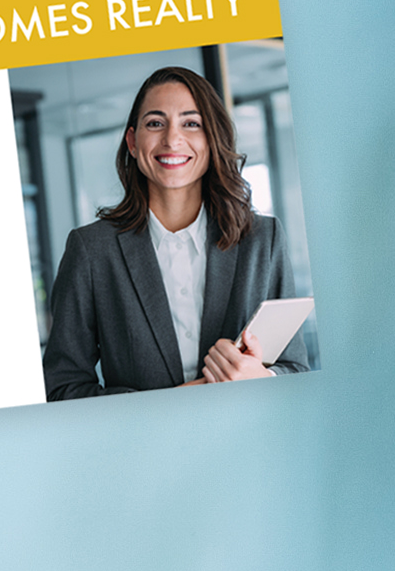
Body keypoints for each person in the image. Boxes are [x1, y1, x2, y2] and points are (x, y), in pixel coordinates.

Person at [39, 62, 315, 399]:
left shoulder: (263, 239)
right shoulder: (92, 250)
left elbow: (296, 369)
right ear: (132, 142)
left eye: (191, 123)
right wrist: (162, 407)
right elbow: (62, 386)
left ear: (212, 140)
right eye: (155, 123)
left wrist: (260, 376)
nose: (172, 139)